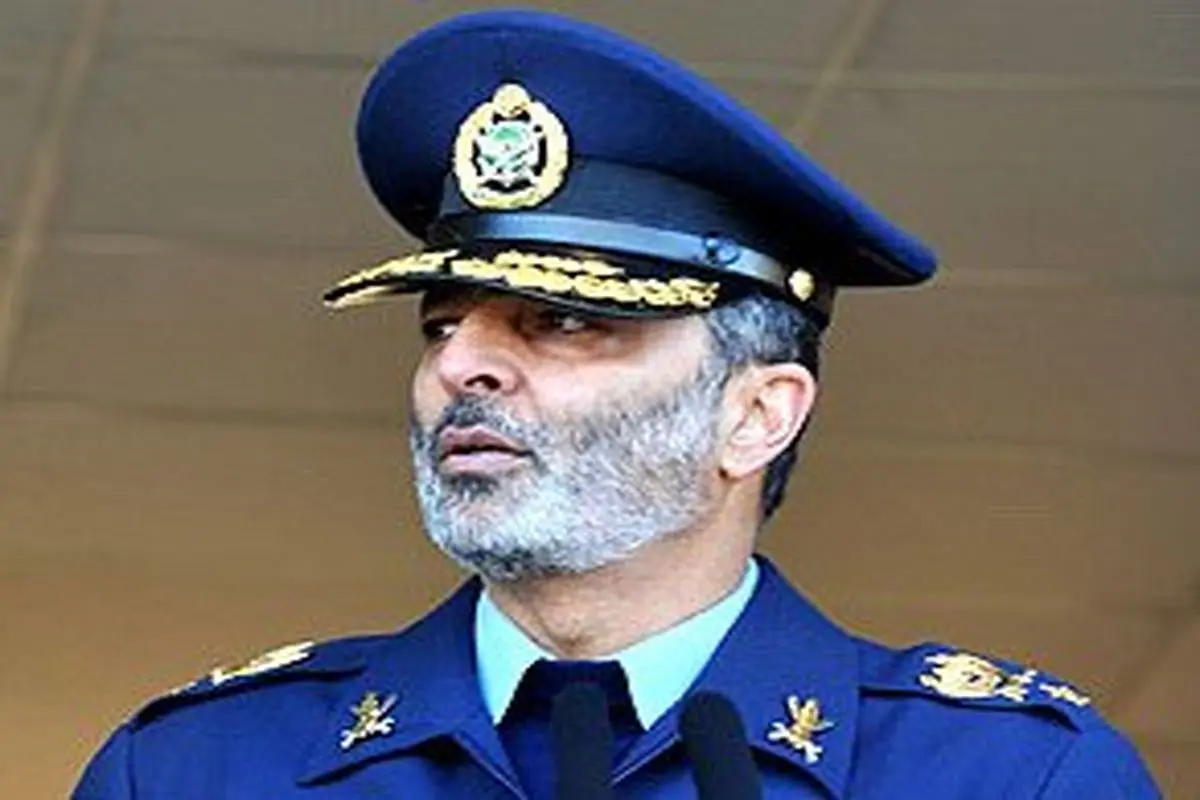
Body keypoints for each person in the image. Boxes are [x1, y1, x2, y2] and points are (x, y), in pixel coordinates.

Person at [74, 10, 1159, 799]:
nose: (464, 366)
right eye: (441, 325)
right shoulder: (198, 768)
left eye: (562, 322)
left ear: (758, 414)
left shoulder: (1005, 775)